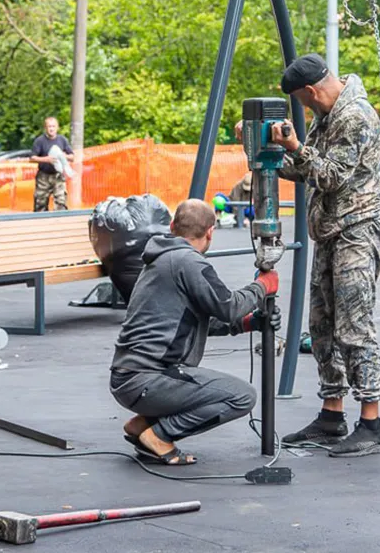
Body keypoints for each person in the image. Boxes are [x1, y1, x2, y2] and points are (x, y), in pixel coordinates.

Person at [235, 53, 380, 457]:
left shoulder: (355, 115)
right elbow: (307, 169)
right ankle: (332, 414)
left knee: (354, 328)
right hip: (331, 233)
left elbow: (332, 176)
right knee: (322, 327)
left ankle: (371, 422)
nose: (305, 109)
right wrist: (262, 147)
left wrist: (296, 145)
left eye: (303, 102)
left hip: (357, 232)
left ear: (311, 91)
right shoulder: (329, 115)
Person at [109, 199, 281, 465]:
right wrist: (262, 286)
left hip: (130, 378)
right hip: (147, 379)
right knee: (241, 396)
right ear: (210, 232)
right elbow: (227, 306)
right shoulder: (187, 261)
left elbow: (194, 321)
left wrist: (247, 323)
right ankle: (159, 435)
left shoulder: (160, 259)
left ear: (172, 226)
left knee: (199, 383)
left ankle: (142, 425)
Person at [30, 117, 74, 212]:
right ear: (45, 128)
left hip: (58, 175)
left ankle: (60, 223)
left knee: (61, 203)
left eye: (53, 126)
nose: (51, 129)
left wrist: (63, 156)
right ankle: (41, 224)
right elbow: (32, 158)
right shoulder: (39, 141)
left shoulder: (62, 140)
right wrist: (46, 159)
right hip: (43, 177)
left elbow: (72, 157)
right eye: (49, 126)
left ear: (57, 127)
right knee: (40, 205)